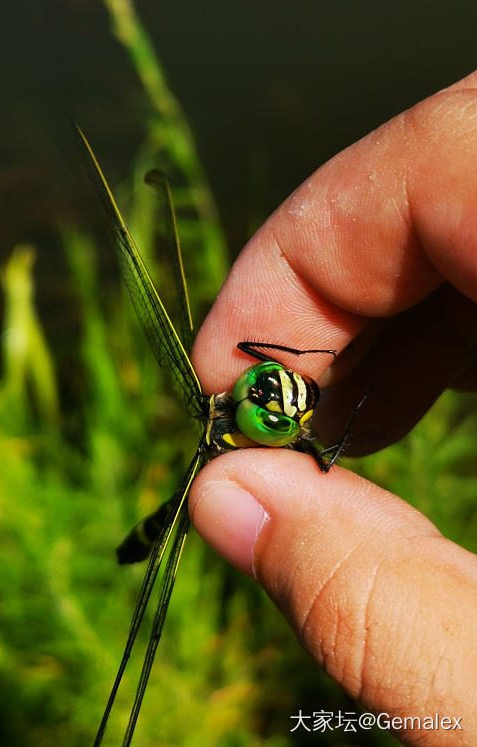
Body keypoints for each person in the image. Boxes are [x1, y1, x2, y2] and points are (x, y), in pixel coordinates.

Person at [189, 70, 477, 746]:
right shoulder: (256, 421)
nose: (284, 391)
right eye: (276, 410)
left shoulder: (268, 394)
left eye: (276, 383)